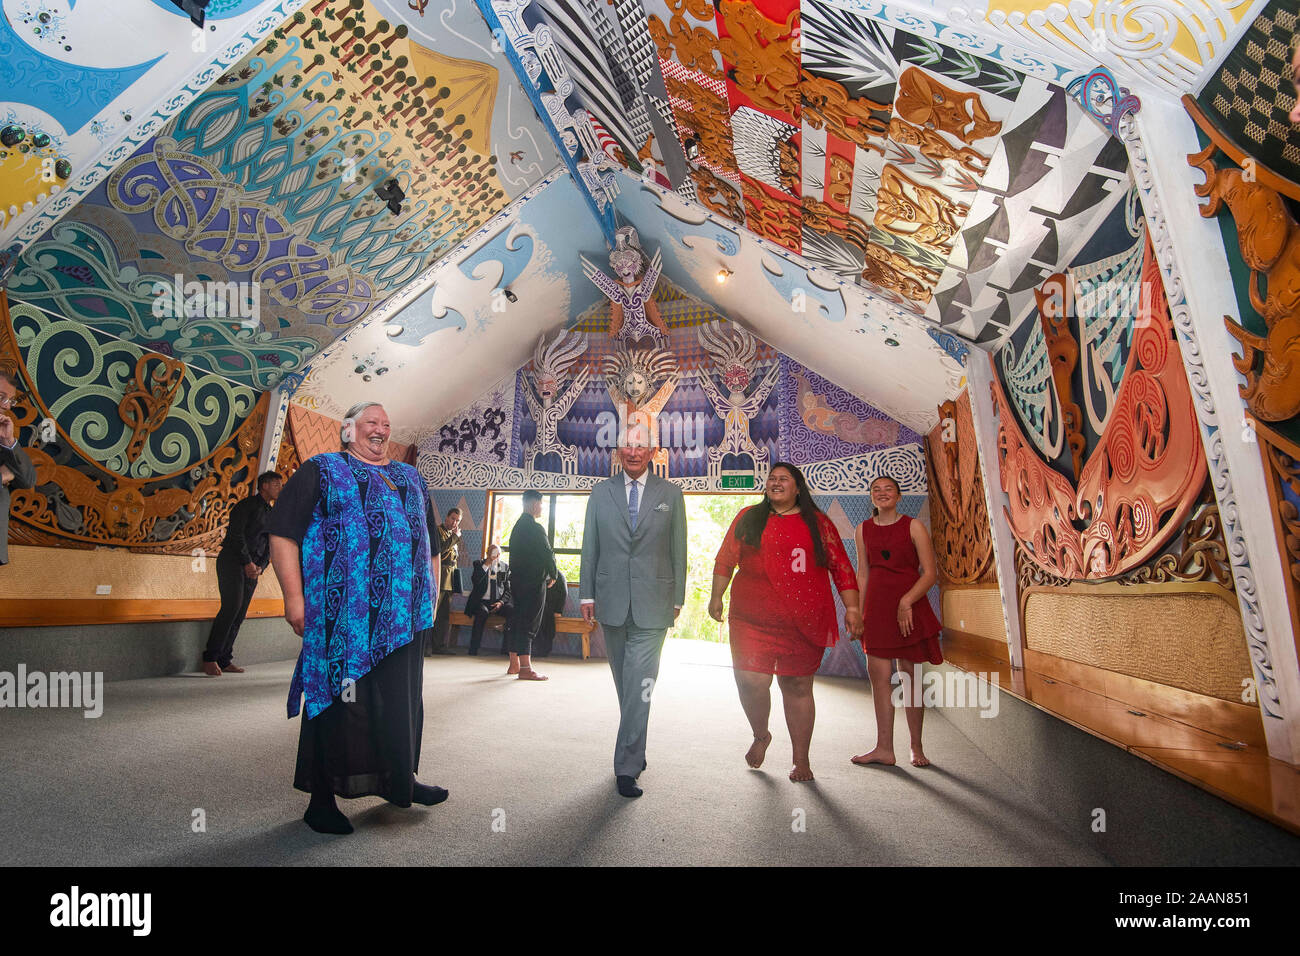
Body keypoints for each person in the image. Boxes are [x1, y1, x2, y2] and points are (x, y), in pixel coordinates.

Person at [267, 401, 447, 836]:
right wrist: (295, 599)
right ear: (349, 430)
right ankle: (321, 800)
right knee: (339, 703)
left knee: (401, 702)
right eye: (371, 423)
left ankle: (400, 781)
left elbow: (434, 546)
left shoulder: (411, 477)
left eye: (386, 424)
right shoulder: (322, 470)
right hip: (343, 618)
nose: (381, 430)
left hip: (405, 618)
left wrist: (433, 599)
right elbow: (282, 533)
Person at [709, 463, 862, 782]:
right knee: (751, 680)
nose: (775, 483)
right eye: (772, 479)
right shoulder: (748, 517)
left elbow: (841, 566)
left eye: (784, 479)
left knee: (796, 684)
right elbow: (726, 559)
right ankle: (761, 733)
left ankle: (801, 760)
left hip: (802, 619)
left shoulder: (818, 523)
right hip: (751, 618)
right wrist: (716, 597)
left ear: (797, 488)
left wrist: (852, 608)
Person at [580, 428, 687, 798]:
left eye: (641, 445)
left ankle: (625, 768)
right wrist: (585, 593)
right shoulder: (600, 492)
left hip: (654, 603)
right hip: (610, 602)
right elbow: (589, 546)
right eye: (628, 444)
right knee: (625, 687)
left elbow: (679, 548)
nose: (634, 451)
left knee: (640, 687)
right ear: (618, 450)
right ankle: (636, 750)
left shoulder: (671, 494)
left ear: (653, 451)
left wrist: (679, 598)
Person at [851, 475, 942, 769]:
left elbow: (929, 574)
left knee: (910, 679)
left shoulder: (914, 526)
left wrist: (906, 601)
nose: (882, 493)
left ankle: (916, 747)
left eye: (888, 488)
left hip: (909, 608)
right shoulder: (862, 530)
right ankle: (884, 748)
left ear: (899, 496)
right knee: (879, 679)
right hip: (876, 610)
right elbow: (863, 573)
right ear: (871, 498)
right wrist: (858, 612)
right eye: (876, 489)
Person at [201, 471, 282, 676]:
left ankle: (224, 658)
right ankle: (210, 658)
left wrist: (260, 567)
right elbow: (236, 536)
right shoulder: (246, 506)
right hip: (232, 562)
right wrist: (247, 562)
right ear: (264, 485)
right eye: (276, 484)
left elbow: (270, 544)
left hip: (253, 568)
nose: (280, 488)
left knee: (240, 613)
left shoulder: (273, 513)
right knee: (231, 607)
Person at [506, 490, 556, 680]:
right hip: (533, 581)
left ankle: (514, 664)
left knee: (517, 619)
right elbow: (546, 552)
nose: (542, 507)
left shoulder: (517, 527)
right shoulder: (535, 528)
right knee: (529, 622)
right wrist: (553, 574)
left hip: (517, 581)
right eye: (541, 504)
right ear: (534, 503)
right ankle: (526, 669)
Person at [0, 371, 35, 567]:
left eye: (10, 401)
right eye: (1, 397)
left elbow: (28, 479)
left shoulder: (2, 434)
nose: (6, 406)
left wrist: (9, 441)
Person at [465, 544, 512, 656]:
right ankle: (473, 649)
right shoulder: (478, 564)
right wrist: (487, 564)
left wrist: (501, 602)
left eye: (499, 554)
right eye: (494, 553)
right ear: (488, 554)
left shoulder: (504, 567)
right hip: (481, 601)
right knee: (482, 613)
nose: (497, 556)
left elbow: (508, 590)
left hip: (497, 601)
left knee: (512, 612)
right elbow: (476, 581)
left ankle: (506, 649)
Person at [428, 507, 462, 655]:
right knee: (432, 614)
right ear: (447, 517)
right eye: (453, 519)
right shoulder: (438, 531)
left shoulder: (452, 535)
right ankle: (426, 647)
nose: (454, 522)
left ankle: (440, 645)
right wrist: (455, 537)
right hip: (438, 577)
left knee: (443, 617)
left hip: (448, 579)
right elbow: (439, 550)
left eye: (457, 521)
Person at [532, 570, 567, 659]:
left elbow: (563, 593)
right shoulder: (538, 573)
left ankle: (543, 649)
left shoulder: (559, 576)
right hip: (539, 605)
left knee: (546, 622)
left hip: (552, 607)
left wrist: (559, 611)